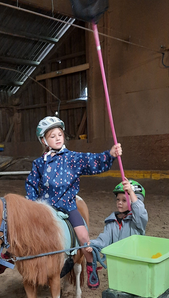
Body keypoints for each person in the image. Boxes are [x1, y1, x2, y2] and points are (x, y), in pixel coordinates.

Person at [24, 115, 122, 289]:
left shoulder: (73, 158)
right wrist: (32, 205)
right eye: (52, 136)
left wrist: (110, 154)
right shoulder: (39, 163)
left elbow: (92, 161)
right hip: (45, 208)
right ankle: (10, 255)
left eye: (59, 135)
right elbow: (31, 184)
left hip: (68, 206)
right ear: (44, 140)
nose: (57, 138)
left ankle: (91, 267)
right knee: (25, 231)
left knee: (84, 238)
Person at [87, 178, 148, 262]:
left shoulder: (137, 221)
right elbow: (105, 239)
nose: (120, 202)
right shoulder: (111, 221)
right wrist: (94, 244)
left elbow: (139, 211)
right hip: (116, 263)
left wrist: (131, 192)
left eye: (124, 200)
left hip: (135, 262)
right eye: (118, 199)